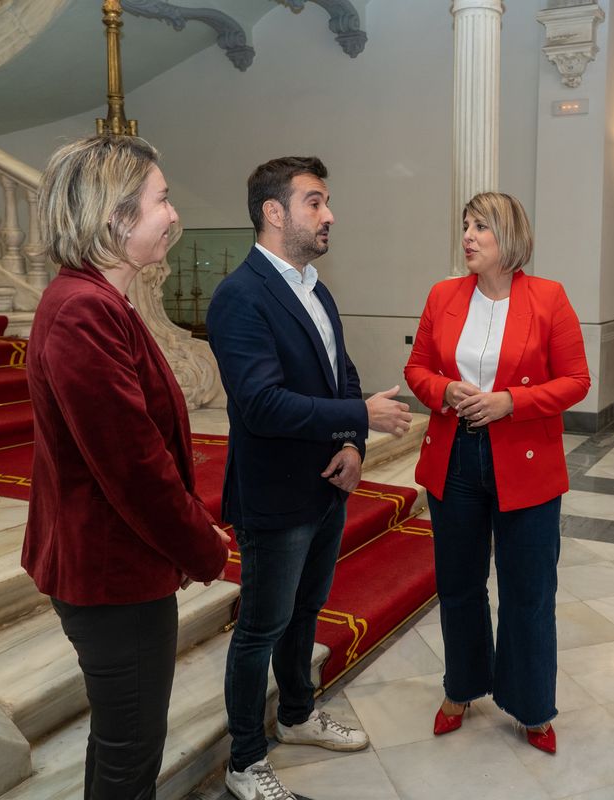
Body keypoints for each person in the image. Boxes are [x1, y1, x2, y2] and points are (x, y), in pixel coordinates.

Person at [23, 135, 231, 800]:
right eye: (161, 199)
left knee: (124, 741)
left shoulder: (100, 300)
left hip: (116, 563)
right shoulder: (83, 310)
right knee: (130, 751)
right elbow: (133, 465)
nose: (173, 214)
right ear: (115, 218)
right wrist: (200, 544)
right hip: (109, 573)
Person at [207, 156, 412, 800]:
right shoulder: (240, 296)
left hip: (327, 481)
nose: (329, 215)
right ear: (275, 213)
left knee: (305, 611)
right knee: (260, 628)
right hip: (274, 493)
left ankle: (295, 715)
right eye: (316, 202)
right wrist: (361, 415)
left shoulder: (314, 287)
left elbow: (339, 370)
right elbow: (262, 403)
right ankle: (244, 759)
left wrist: (352, 443)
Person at [404, 191, 590, 755]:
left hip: (525, 464)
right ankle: (460, 688)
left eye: (480, 226)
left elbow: (577, 380)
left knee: (528, 591)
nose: (468, 236)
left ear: (508, 237)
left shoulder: (549, 298)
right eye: (464, 225)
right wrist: (444, 390)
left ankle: (532, 707)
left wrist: (512, 402)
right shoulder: (443, 296)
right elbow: (416, 369)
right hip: (455, 458)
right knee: (458, 585)